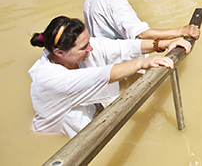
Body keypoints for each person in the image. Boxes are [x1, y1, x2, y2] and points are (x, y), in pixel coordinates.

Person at [28, 16, 191, 138]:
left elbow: (122, 47)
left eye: (89, 42)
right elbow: (100, 76)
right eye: (84, 47)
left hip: (92, 117)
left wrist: (163, 45)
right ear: (59, 53)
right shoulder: (49, 78)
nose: (91, 48)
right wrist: (142, 64)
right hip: (59, 138)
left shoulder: (79, 50)